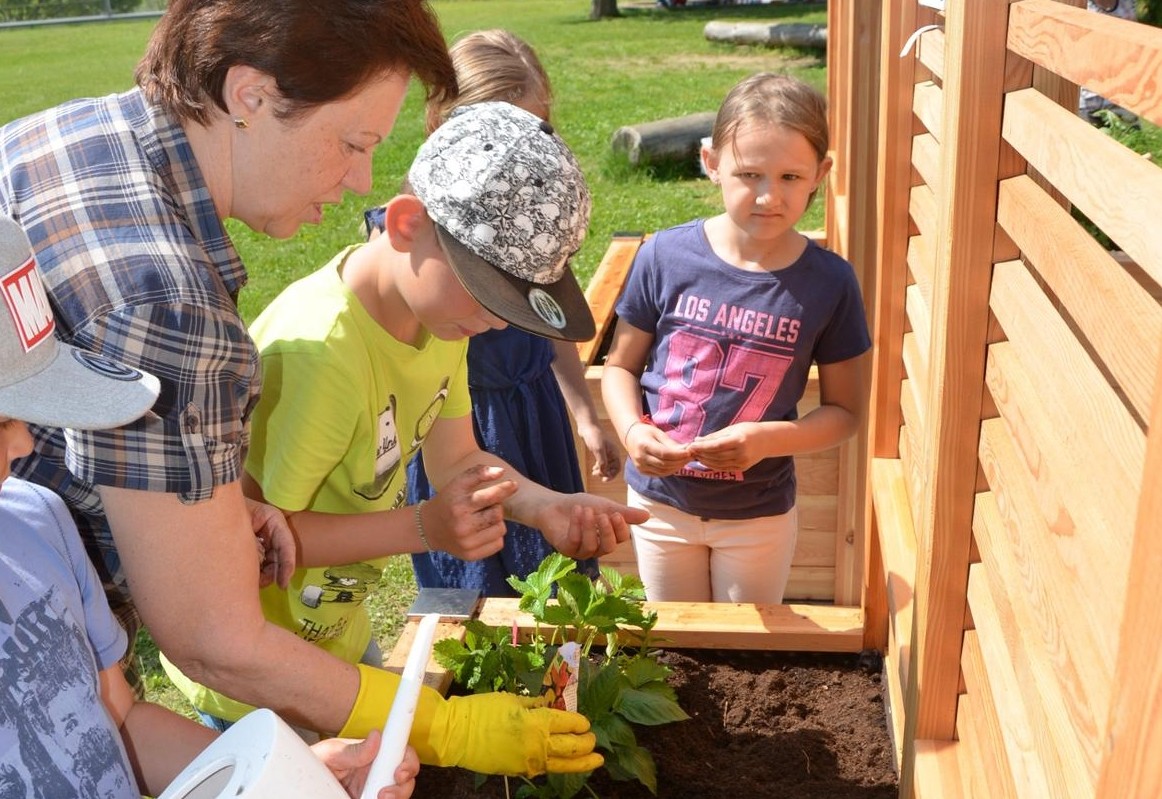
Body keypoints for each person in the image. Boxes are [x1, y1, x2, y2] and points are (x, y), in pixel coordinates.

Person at [0, 0, 621, 777]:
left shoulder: (66, 133)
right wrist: (437, 723)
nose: (360, 177)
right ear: (250, 95)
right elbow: (216, 637)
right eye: (352, 143)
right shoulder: (169, 301)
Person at [163, 98, 648, 735]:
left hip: (333, 632)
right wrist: (423, 526)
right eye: (488, 293)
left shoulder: (440, 321)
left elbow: (460, 461)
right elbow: (253, 541)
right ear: (406, 224)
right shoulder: (322, 358)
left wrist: (541, 505)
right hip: (259, 672)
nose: (498, 321)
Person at [0, 215, 419, 799]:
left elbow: (121, 722)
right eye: (2, 419)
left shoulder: (35, 520)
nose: (22, 444)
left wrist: (289, 778)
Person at [601, 72, 871, 604]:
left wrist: (765, 441)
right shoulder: (663, 256)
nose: (770, 196)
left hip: (757, 516)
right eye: (749, 173)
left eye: (791, 177)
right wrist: (633, 432)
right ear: (711, 163)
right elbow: (619, 367)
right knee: (678, 648)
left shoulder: (831, 283)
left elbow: (847, 413)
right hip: (660, 505)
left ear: (822, 173)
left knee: (743, 657)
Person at [382, 29, 621, 596]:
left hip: (535, 407)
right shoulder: (419, 258)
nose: (520, 163)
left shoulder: (534, 219)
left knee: (556, 570)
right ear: (443, 126)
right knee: (478, 580)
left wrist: (584, 414)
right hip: (464, 425)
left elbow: (553, 322)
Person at [1079, 0, 1139, 127]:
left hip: (1124, 96)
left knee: (1134, 142)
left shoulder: (1127, 2)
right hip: (1088, 99)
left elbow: (1137, 43)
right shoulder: (1079, 5)